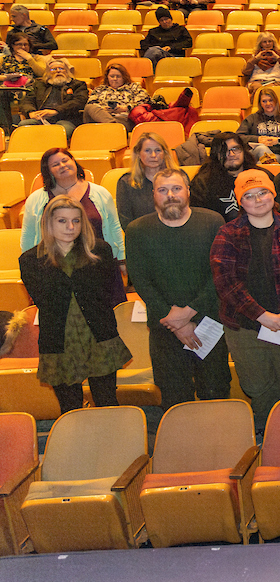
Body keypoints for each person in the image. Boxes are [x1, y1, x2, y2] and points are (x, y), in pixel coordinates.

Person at [209, 170, 280, 434]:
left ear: (272, 194)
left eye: (263, 192)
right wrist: (261, 315)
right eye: (249, 195)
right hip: (245, 329)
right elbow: (225, 282)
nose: (258, 199)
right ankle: (265, 438)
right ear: (240, 201)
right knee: (258, 389)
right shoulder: (227, 233)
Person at [125, 168, 231, 410]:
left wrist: (190, 312)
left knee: (215, 393)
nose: (170, 195)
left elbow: (220, 273)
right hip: (165, 328)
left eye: (176, 188)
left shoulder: (212, 221)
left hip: (209, 323)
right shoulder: (137, 230)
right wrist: (177, 323)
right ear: (153, 194)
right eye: (162, 190)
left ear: (188, 191)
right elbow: (141, 280)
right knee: (174, 398)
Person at [19, 195, 131, 413]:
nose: (70, 227)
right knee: (70, 409)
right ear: (48, 223)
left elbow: (106, 292)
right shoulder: (30, 260)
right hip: (59, 341)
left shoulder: (101, 251)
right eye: (62, 221)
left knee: (108, 403)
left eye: (76, 221)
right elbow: (44, 301)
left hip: (100, 336)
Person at [21, 148, 124, 261]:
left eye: (65, 161)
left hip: (98, 261)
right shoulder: (35, 199)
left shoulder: (100, 193)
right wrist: (29, 263)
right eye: (55, 165)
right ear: (48, 171)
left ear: (74, 161)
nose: (62, 166)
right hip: (52, 264)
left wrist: (121, 259)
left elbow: (114, 227)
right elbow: (28, 235)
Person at [191, 132, 273, 222]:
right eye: (224, 151)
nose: (231, 154)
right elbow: (201, 219)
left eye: (235, 149)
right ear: (215, 155)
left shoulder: (262, 176)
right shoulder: (202, 183)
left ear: (243, 151)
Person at [117, 131, 181, 229]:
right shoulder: (126, 182)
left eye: (158, 150)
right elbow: (126, 221)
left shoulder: (179, 178)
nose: (153, 155)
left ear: (165, 153)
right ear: (138, 154)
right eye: (147, 150)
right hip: (142, 235)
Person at [17, 56, 88, 138]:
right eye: (53, 69)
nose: (58, 71)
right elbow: (27, 101)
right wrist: (31, 112)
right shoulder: (39, 85)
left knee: (64, 130)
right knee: (24, 125)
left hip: (66, 119)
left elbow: (79, 101)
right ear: (48, 73)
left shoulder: (78, 85)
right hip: (41, 119)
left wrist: (56, 111)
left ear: (67, 71)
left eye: (61, 68)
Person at [237, 87, 280, 164]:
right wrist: (257, 139)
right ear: (260, 103)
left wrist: (279, 140)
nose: (268, 104)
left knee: (261, 163)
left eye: (271, 100)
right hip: (255, 154)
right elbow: (238, 137)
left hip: (279, 155)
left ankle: (266, 168)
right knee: (261, 149)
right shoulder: (252, 118)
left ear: (276, 101)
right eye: (264, 101)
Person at [83, 62, 149, 130]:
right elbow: (92, 102)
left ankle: (113, 126)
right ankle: (113, 126)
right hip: (101, 118)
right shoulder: (100, 89)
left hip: (122, 119)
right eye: (112, 76)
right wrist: (103, 109)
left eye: (118, 76)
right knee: (89, 107)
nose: (115, 79)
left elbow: (145, 99)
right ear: (107, 77)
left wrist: (126, 108)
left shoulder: (133, 87)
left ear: (124, 77)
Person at [0, 32, 42, 135]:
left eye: (25, 44)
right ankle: (7, 128)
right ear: (12, 46)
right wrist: (6, 77)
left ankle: (24, 128)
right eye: (19, 44)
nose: (23, 47)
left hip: (30, 88)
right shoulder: (3, 59)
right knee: (2, 95)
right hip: (8, 87)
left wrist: (29, 59)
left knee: (27, 95)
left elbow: (42, 73)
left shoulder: (37, 58)